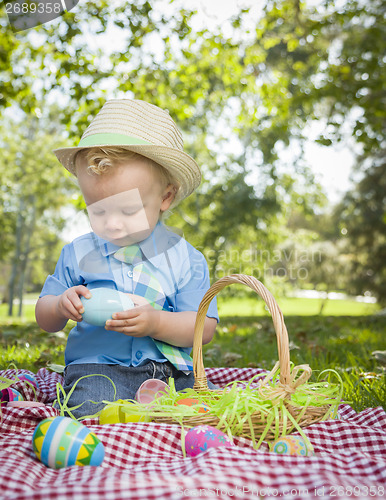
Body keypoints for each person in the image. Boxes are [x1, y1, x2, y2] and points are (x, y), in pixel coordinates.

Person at [35, 99, 218, 417]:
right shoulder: (78, 253)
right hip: (100, 369)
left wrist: (157, 322)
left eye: (129, 210)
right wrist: (60, 304)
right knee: (91, 410)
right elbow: (44, 317)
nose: (113, 223)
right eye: (98, 209)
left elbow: (204, 328)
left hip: (171, 373)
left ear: (165, 197)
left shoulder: (186, 259)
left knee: (207, 410)